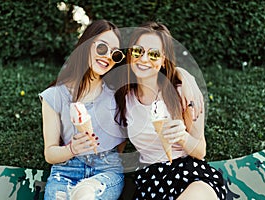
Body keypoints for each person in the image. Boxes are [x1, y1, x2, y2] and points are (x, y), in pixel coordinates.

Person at [114, 22, 226, 200]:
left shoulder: (183, 93)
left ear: (163, 59)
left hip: (189, 172)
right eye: (138, 51)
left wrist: (182, 137)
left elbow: (200, 150)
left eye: (153, 54)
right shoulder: (124, 98)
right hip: (150, 180)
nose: (143, 59)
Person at [39, 20, 127, 200]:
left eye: (115, 54)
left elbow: (156, 73)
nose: (108, 56)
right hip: (64, 172)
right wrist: (72, 149)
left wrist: (184, 76)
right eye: (102, 48)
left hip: (106, 171)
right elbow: (50, 153)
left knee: (86, 196)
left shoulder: (118, 94)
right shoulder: (54, 96)